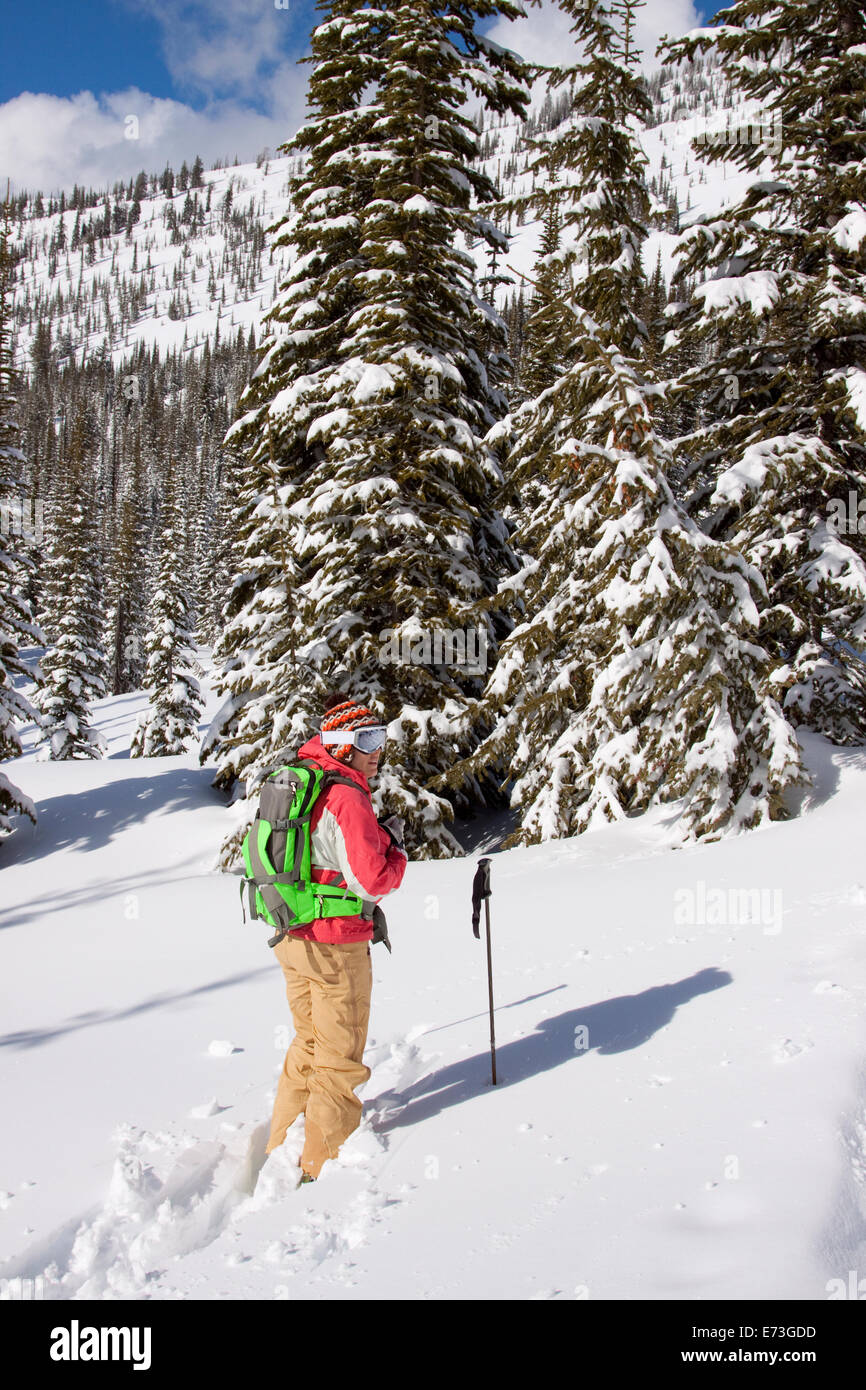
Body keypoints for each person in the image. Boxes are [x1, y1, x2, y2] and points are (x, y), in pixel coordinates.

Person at [264, 692, 408, 1184]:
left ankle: (279, 1146)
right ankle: (321, 1169)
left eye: (381, 737)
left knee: (308, 1042)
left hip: (292, 936)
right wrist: (398, 853)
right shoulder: (346, 795)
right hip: (336, 944)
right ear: (343, 744)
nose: (378, 749)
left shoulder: (301, 779)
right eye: (367, 738)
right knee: (339, 1057)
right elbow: (371, 881)